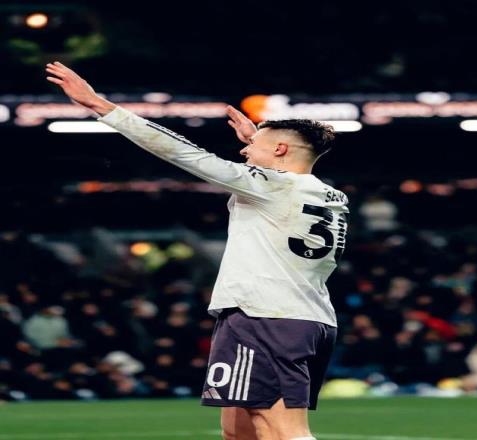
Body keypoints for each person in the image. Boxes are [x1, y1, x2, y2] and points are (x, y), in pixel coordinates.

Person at [45, 61, 349, 440]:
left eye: (251, 146)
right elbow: (279, 176)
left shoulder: (273, 185)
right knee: (238, 430)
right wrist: (262, 145)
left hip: (266, 316)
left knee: (283, 431)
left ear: (281, 149)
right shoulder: (328, 194)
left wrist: (100, 105)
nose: (243, 151)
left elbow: (184, 153)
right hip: (299, 317)